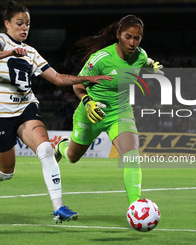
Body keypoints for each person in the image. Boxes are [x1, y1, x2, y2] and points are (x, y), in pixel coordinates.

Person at [0, 0, 112, 223]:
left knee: (46, 150)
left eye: (28, 24)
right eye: (19, 23)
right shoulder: (0, 40)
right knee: (6, 172)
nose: (24, 28)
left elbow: (58, 79)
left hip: (24, 108)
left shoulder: (31, 52)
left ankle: (59, 208)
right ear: (7, 24)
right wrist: (10, 51)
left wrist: (88, 78)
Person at [54, 15, 163, 206]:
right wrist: (88, 102)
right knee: (72, 157)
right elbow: (78, 85)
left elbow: (145, 61)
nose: (132, 42)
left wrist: (153, 66)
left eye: (137, 38)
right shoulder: (100, 59)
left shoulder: (140, 55)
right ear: (119, 35)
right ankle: (60, 146)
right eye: (128, 37)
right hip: (91, 114)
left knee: (131, 156)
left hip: (120, 113)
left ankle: (136, 205)